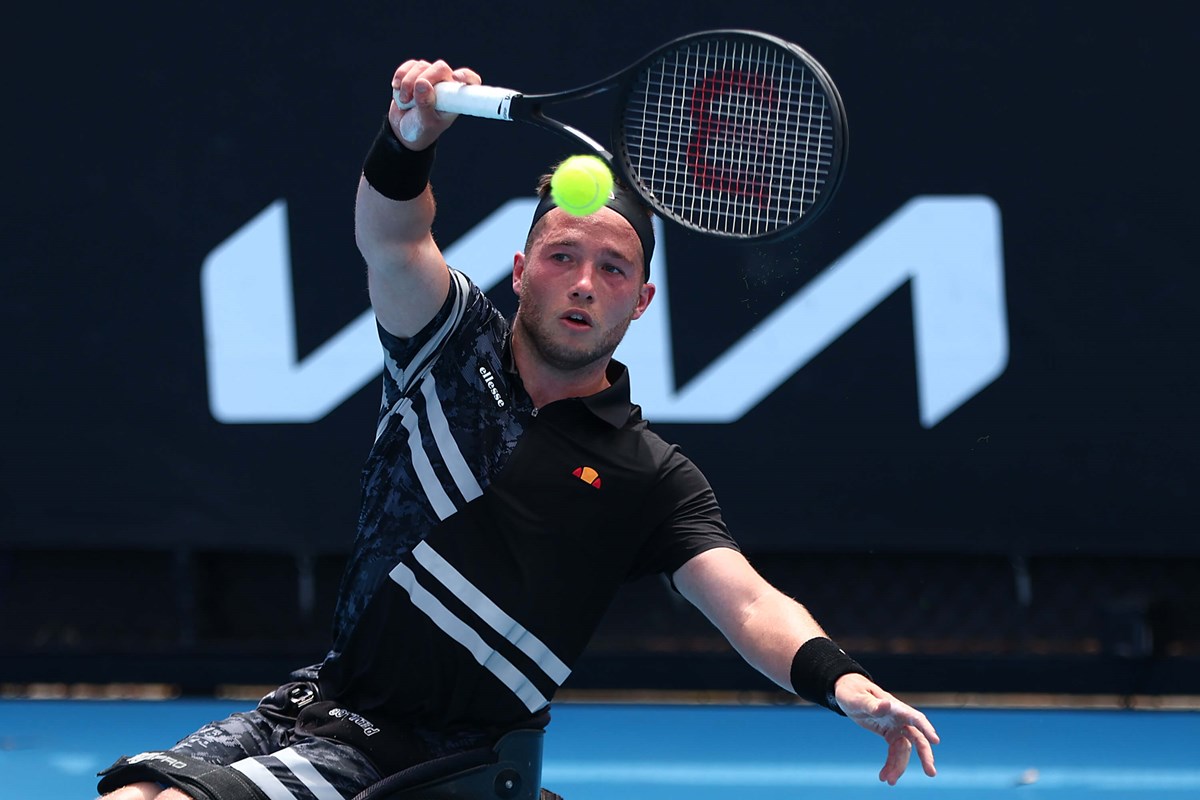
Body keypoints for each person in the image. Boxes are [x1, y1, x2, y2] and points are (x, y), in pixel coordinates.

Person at [96, 58, 939, 800]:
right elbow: (392, 236)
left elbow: (751, 606)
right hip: (321, 703)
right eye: (563, 255)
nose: (583, 282)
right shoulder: (448, 345)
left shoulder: (649, 476)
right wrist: (409, 135)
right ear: (521, 269)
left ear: (640, 303)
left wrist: (845, 682)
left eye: (613, 269)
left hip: (434, 759)